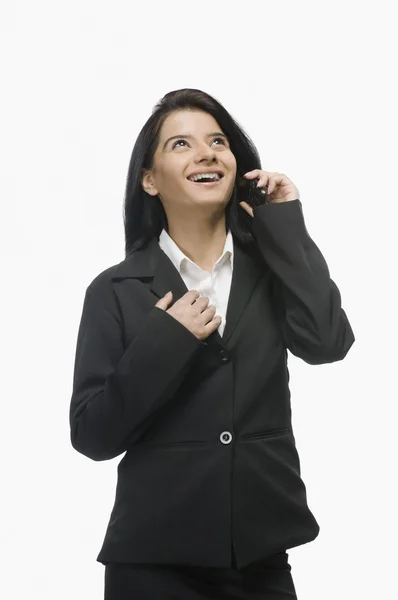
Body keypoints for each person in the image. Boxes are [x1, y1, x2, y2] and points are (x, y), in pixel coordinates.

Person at [69, 88, 355, 599]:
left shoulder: (271, 271)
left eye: (218, 141)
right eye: (181, 144)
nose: (206, 152)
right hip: (152, 565)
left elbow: (327, 341)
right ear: (149, 180)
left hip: (261, 560)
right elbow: (93, 435)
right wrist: (167, 339)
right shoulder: (114, 290)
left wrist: (284, 225)